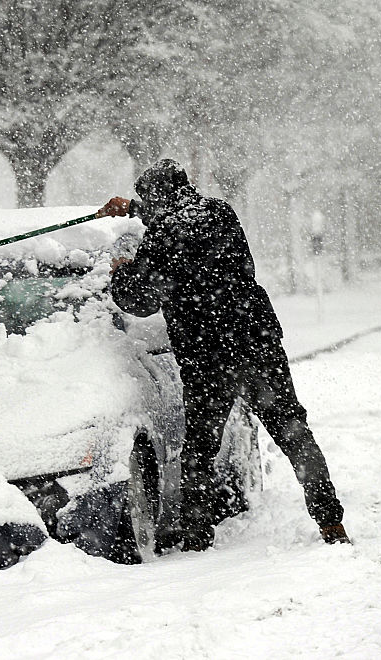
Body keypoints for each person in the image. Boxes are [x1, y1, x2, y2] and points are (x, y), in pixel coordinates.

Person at [97, 159, 349, 551]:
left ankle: (197, 535)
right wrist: (133, 209)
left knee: (200, 449)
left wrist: (121, 272)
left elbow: (140, 301)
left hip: (207, 357)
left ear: (158, 197)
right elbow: (184, 224)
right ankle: (331, 521)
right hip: (256, 342)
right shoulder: (220, 212)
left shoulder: (162, 237)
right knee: (293, 432)